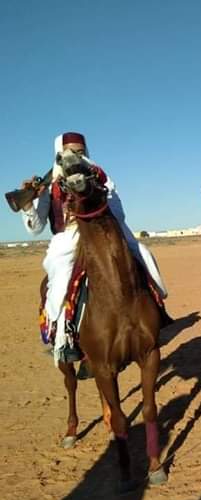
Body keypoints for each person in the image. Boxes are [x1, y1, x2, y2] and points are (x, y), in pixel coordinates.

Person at [19, 132, 168, 363]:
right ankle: (63, 337)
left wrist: (93, 191)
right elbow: (35, 228)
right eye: (69, 151)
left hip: (105, 229)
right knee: (60, 279)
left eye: (79, 151)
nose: (75, 155)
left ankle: (158, 309)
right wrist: (29, 203)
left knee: (144, 255)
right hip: (68, 237)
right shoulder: (48, 187)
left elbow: (119, 213)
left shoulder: (100, 176)